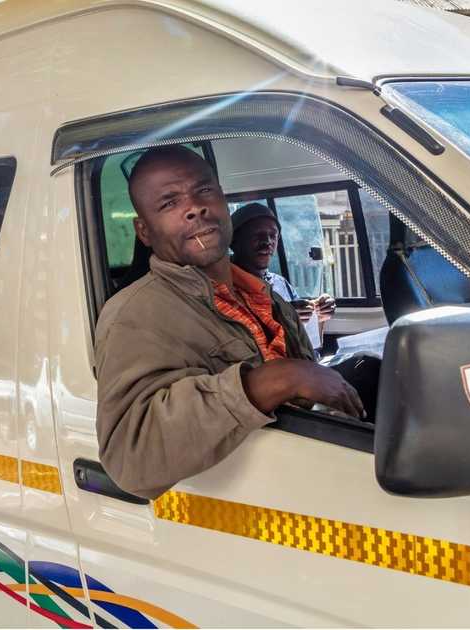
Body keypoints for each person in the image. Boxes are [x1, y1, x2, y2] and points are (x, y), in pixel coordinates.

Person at [94, 146, 364, 499]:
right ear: (144, 232)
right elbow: (131, 457)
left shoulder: (267, 297)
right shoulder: (135, 313)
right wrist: (273, 380)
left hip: (309, 484)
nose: (194, 208)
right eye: (169, 203)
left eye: (204, 191)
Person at [228, 202, 336, 350]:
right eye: (257, 235)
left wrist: (319, 315)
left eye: (273, 235)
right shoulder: (224, 286)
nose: (267, 242)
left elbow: (307, 338)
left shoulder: (280, 283)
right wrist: (283, 318)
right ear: (233, 241)